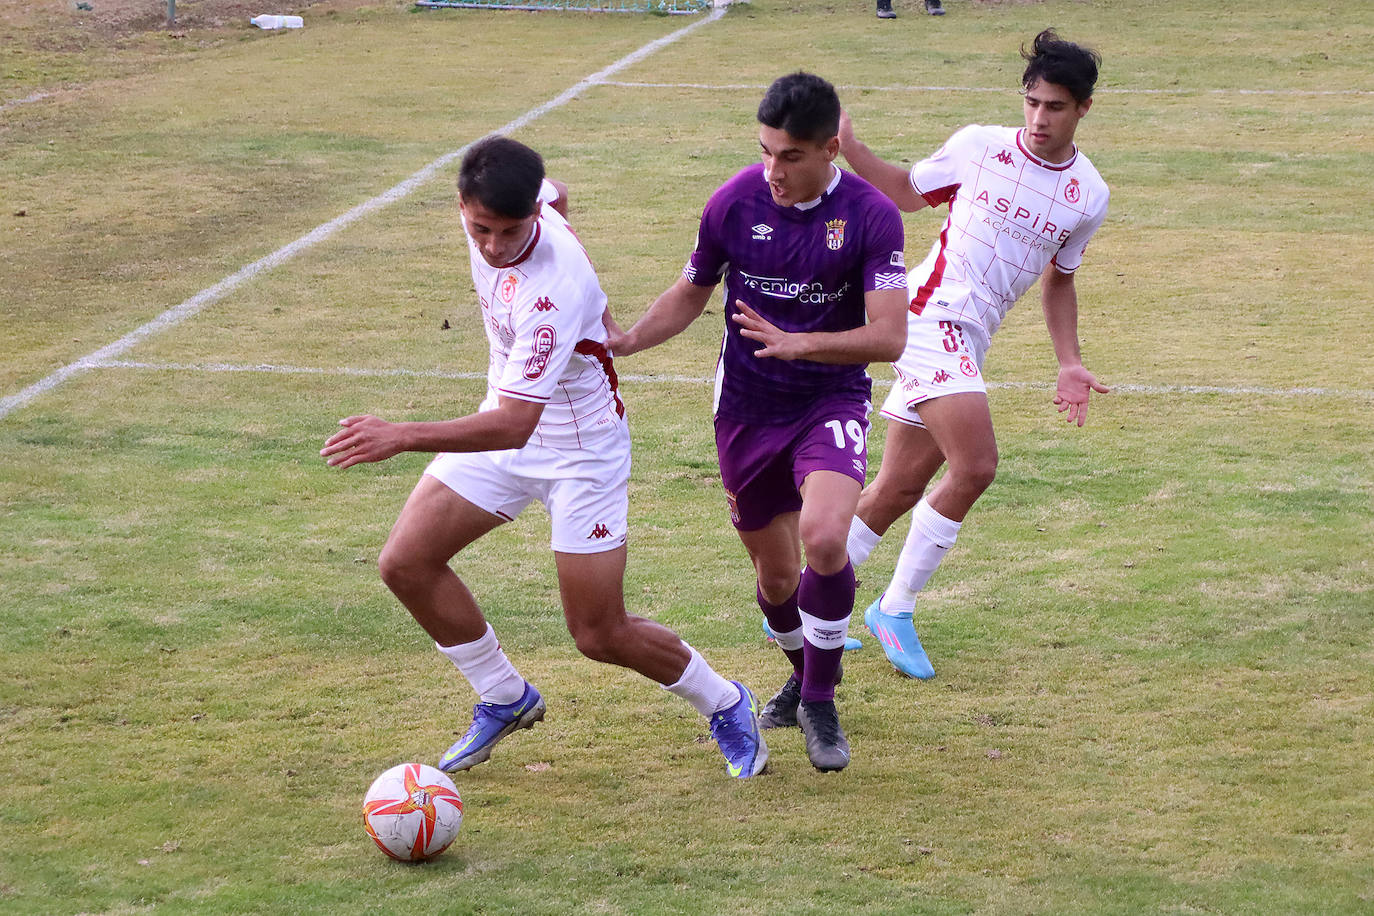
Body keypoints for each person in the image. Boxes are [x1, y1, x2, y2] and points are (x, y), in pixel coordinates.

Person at [321, 136, 767, 780]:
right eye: (481, 229)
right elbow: (560, 195)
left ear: (532, 213)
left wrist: (402, 434)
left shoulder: (552, 292)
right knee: (406, 563)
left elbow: (514, 424)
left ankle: (726, 701)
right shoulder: (523, 201)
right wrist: (602, 313)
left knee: (598, 633)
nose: (495, 246)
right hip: (502, 425)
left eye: (510, 231)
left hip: (579, 455)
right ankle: (505, 696)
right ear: (463, 204)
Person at [606, 73, 909, 772]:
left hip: (828, 398)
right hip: (745, 409)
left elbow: (890, 336)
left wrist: (803, 342)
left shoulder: (870, 216)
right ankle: (804, 672)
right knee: (777, 581)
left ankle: (822, 703)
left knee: (825, 537)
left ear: (832, 148)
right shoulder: (734, 202)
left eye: (791, 157)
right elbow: (691, 291)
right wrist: (627, 340)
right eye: (765, 151)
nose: (773, 170)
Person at [837, 29, 1110, 679]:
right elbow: (905, 190)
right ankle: (894, 608)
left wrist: (1069, 361)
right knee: (978, 465)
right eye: (1033, 102)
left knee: (899, 485)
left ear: (1084, 110)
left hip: (971, 336)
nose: (1040, 118)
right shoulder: (979, 146)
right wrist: (850, 148)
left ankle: (798, 604)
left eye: (1056, 107)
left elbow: (1060, 278)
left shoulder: (1089, 195)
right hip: (928, 318)